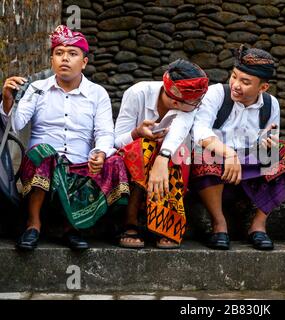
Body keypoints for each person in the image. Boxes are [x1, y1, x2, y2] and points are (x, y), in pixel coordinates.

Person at [0, 25, 129, 251]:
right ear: (52, 61)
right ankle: (33, 224)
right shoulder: (37, 89)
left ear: (84, 62)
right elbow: (17, 124)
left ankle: (73, 227)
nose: (65, 59)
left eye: (72, 54)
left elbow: (105, 133)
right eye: (59, 54)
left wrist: (99, 153)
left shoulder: (97, 94)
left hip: (80, 166)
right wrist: (8, 99)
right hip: (44, 165)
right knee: (43, 152)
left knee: (115, 161)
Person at [190, 45, 285, 251]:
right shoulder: (216, 94)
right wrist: (229, 154)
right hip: (215, 172)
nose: (236, 85)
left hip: (247, 170)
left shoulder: (270, 104)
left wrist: (266, 143)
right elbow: (199, 131)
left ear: (263, 87)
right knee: (201, 154)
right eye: (234, 76)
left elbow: (270, 140)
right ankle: (219, 224)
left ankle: (258, 225)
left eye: (245, 82)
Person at [114, 59, 208, 249]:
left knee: (178, 152)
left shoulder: (188, 103)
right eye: (196, 104)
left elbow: (177, 135)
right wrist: (137, 133)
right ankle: (130, 220)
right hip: (134, 159)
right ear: (175, 102)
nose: (198, 106)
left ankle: (166, 224)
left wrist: (162, 159)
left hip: (171, 159)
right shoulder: (137, 93)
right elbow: (116, 141)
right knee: (145, 146)